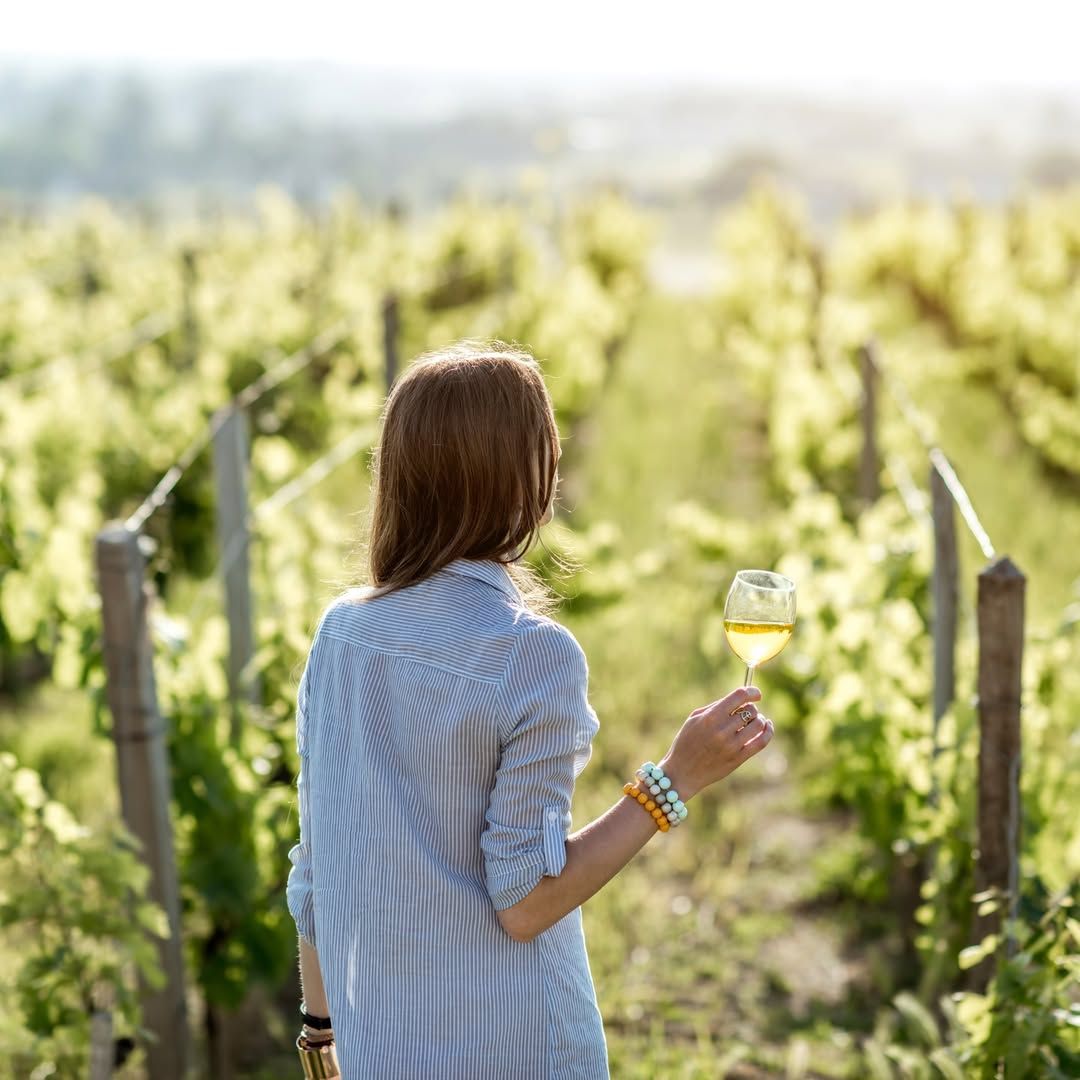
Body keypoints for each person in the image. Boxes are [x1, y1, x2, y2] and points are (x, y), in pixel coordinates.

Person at [286, 340, 773, 1079]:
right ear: (526, 483)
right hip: (522, 1052)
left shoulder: (339, 635)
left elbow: (315, 874)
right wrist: (675, 781)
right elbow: (526, 903)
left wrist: (321, 1046)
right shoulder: (533, 656)